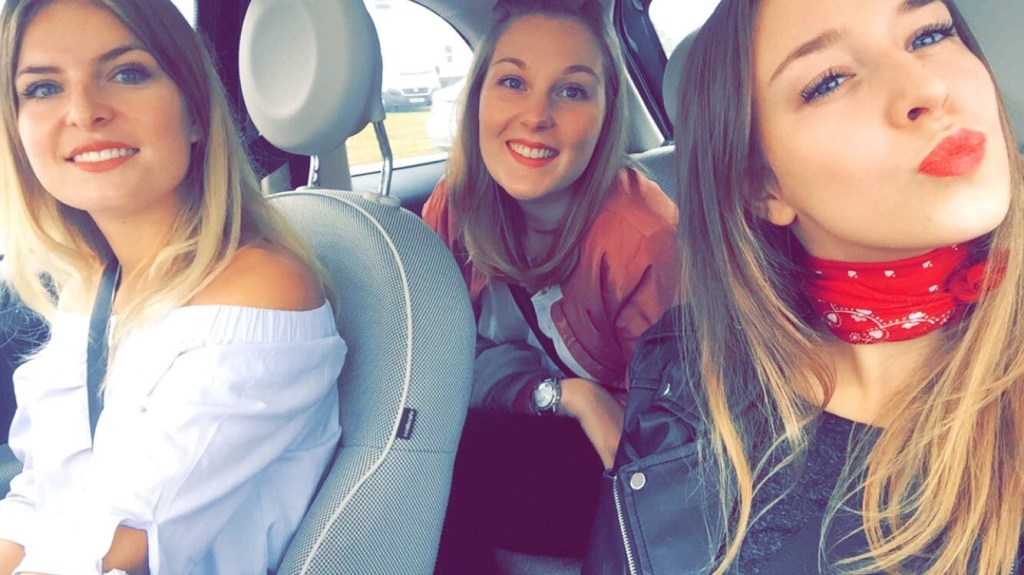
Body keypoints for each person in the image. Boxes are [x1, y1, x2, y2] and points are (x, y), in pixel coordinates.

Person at [584, 0, 1024, 573]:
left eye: (928, 35)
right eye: (829, 81)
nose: (928, 88)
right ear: (762, 186)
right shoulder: (683, 364)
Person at [0, 1, 346, 573]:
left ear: (194, 113)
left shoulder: (261, 289)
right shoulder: (91, 285)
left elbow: (116, 542)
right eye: (42, 88)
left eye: (127, 73)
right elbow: (44, 499)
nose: (83, 112)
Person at [423, 0, 678, 567]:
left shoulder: (643, 239)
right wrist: (567, 396)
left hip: (617, 465)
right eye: (513, 82)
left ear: (607, 115)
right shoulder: (455, 205)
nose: (536, 115)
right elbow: (434, 366)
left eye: (572, 91)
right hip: (516, 427)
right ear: (478, 97)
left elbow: (668, 434)